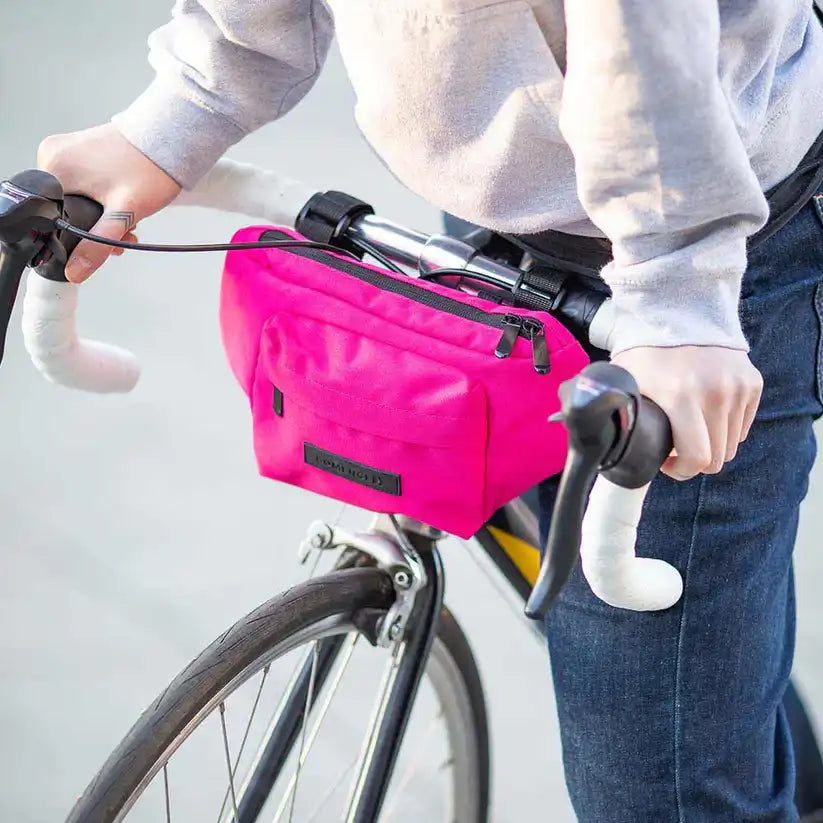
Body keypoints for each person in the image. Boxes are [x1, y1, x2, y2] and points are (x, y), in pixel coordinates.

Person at [37, 1, 823, 820]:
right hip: (513, 205)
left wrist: (678, 285)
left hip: (709, 254)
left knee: (653, 780)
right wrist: (175, 117)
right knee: (657, 665)